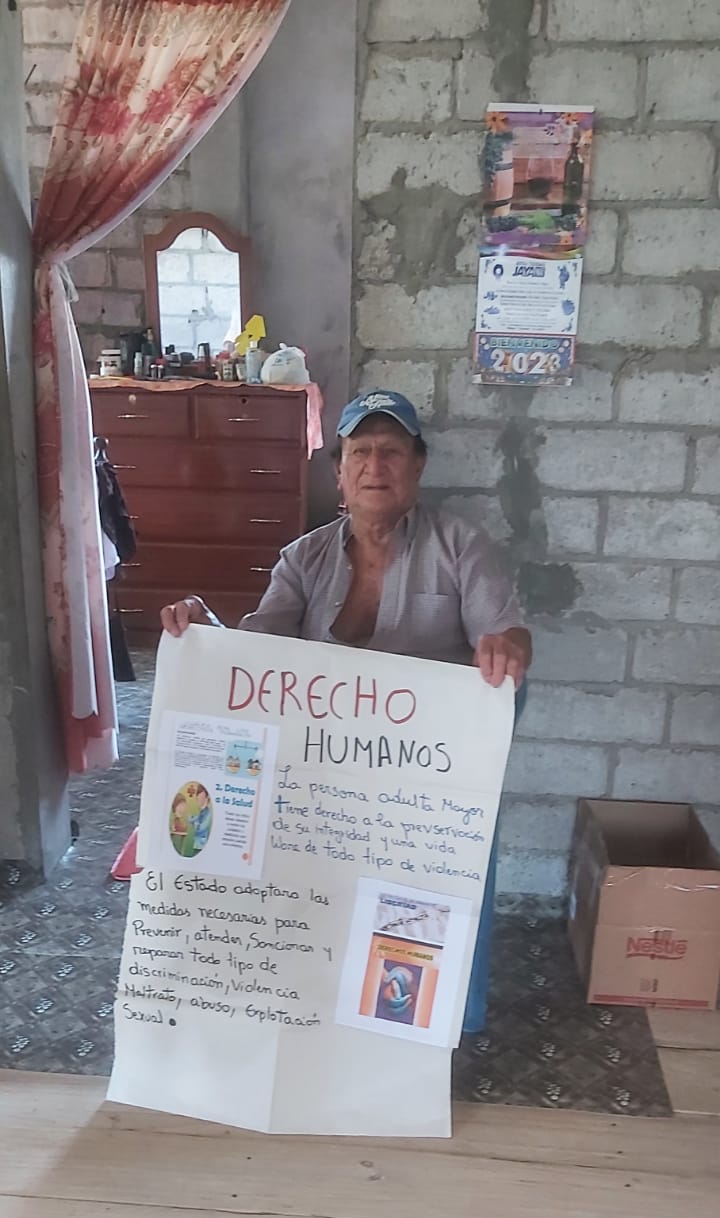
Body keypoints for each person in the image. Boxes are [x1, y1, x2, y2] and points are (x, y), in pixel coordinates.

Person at [161, 390, 532, 1038]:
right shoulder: (303, 558)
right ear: (338, 471)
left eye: (392, 452)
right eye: (360, 451)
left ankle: (435, 1021)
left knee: (430, 903)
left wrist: (507, 647)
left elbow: (509, 636)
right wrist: (203, 632)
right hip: (324, 777)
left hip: (422, 783)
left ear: (418, 466)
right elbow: (255, 654)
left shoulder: (462, 547)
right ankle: (307, 991)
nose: (374, 466)